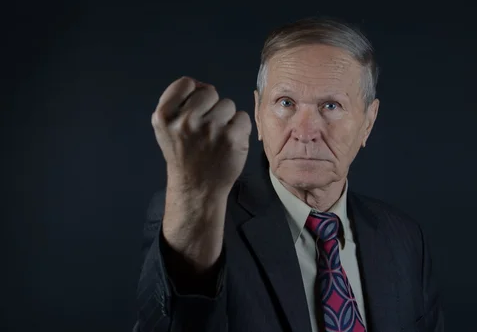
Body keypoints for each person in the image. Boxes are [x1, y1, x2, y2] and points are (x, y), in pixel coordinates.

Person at [133, 17, 444, 331]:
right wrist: (193, 192)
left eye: (331, 106)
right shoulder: (199, 217)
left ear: (368, 121)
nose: (305, 132)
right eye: (286, 103)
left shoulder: (405, 239)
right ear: (258, 111)